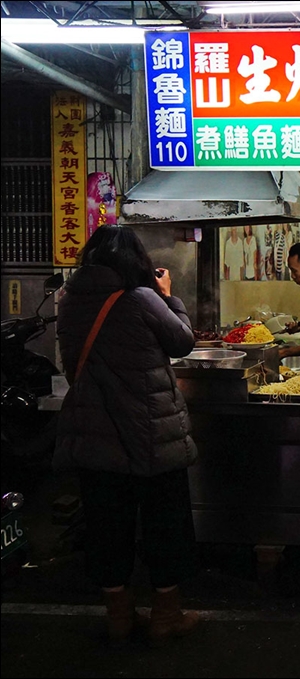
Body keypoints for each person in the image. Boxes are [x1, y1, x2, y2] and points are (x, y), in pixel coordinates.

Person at [53, 225, 199, 646]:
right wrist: (169, 294)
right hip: (150, 432)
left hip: (95, 435)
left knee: (105, 525)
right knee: (164, 524)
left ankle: (118, 617)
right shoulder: (141, 298)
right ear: (136, 262)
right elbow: (183, 342)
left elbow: (70, 362)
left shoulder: (69, 302)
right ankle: (165, 617)